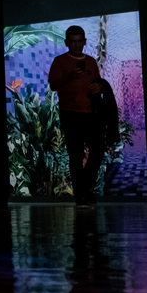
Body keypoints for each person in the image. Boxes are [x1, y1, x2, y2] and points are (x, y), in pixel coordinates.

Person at [48, 25, 105, 206]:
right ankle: (81, 194)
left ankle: (86, 186)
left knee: (97, 150)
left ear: (84, 42)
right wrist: (70, 76)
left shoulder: (91, 62)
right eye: (72, 42)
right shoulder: (60, 61)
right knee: (76, 154)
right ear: (66, 43)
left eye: (79, 41)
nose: (76, 45)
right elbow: (53, 85)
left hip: (90, 113)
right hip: (70, 113)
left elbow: (97, 82)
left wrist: (100, 87)